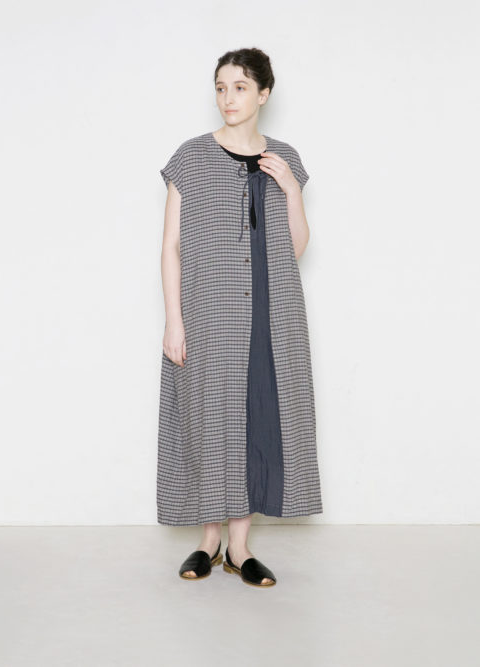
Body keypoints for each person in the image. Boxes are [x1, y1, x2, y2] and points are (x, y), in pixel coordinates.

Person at [157, 47, 323, 588]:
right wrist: (174, 320)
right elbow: (171, 246)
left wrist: (290, 188)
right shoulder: (190, 158)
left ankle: (240, 547)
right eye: (221, 87)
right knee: (210, 416)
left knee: (258, 418)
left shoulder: (286, 158)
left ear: (264, 94)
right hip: (209, 313)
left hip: (273, 314)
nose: (228, 98)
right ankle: (208, 543)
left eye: (241, 87)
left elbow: (295, 248)